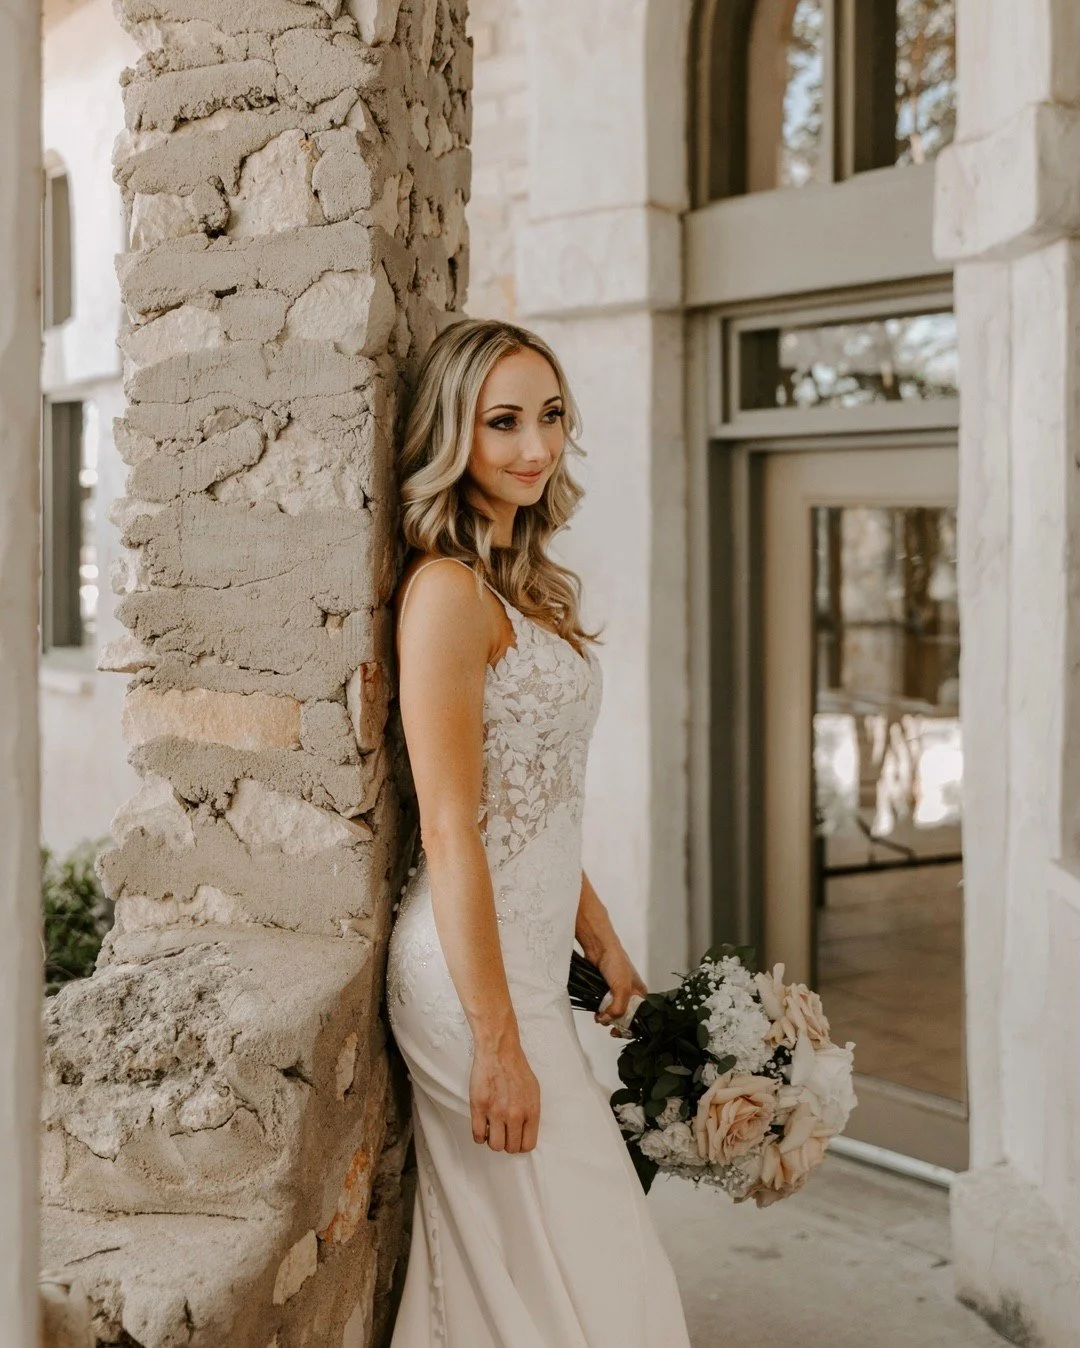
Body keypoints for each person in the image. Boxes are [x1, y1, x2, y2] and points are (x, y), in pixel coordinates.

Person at [385, 317, 692, 1346]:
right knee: (586, 1245)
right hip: (469, 981)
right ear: (451, 435)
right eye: (502, 421)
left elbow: (540, 795)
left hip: (530, 948)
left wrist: (593, 928)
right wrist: (498, 1042)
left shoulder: (524, 585)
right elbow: (452, 826)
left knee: (551, 1258)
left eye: (550, 416)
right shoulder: (444, 595)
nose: (534, 447)